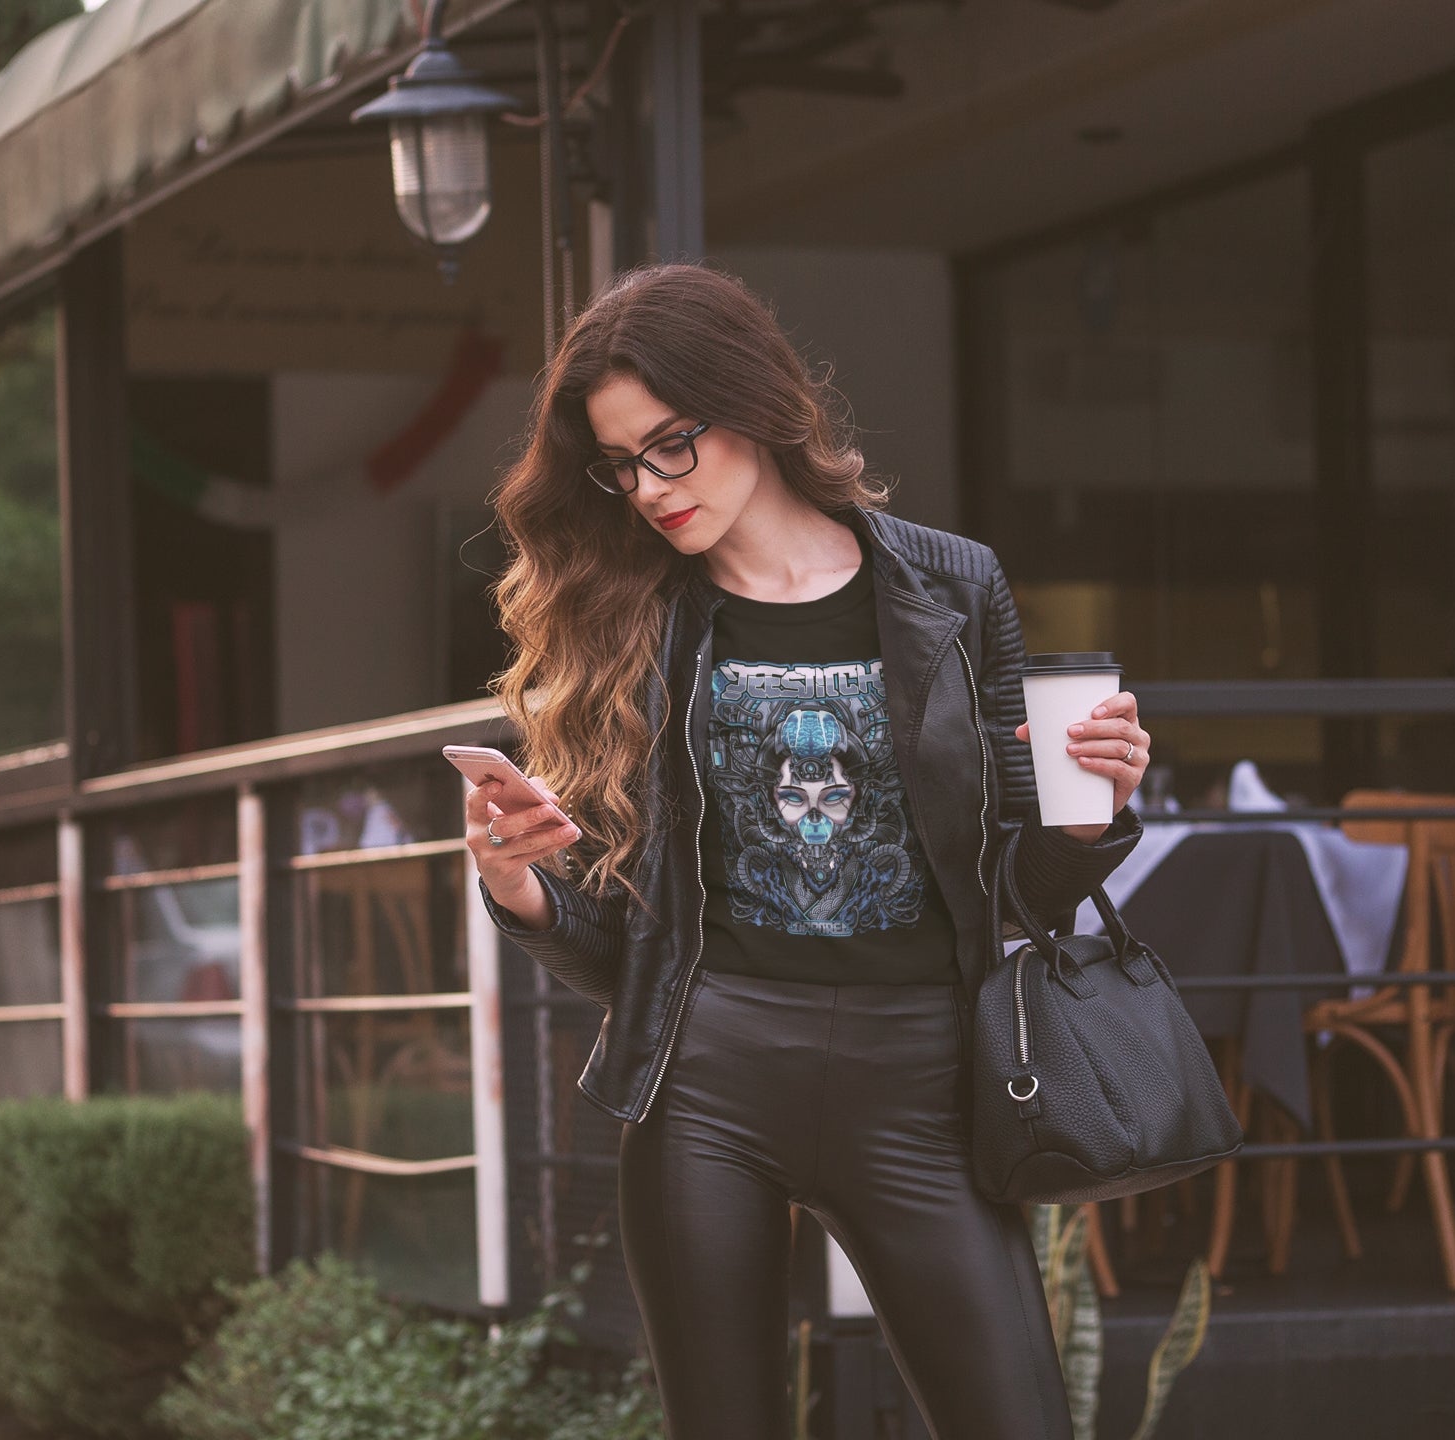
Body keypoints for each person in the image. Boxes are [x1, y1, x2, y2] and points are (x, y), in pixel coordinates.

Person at [465, 263, 1149, 1440]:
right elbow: (634, 951)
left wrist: (1087, 818)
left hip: (925, 1088)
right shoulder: (632, 616)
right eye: (621, 464)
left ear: (755, 403)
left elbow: (1010, 894)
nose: (650, 488)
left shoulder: (951, 583)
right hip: (709, 1088)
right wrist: (517, 885)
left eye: (671, 445)